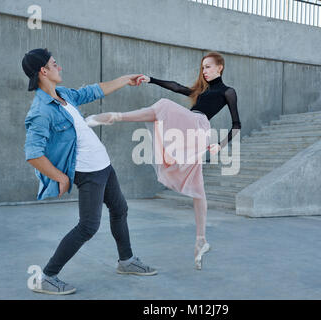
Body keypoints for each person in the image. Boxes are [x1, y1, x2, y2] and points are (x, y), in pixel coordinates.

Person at [85, 52, 241, 270]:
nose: (204, 71)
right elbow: (177, 87)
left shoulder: (228, 92)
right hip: (188, 129)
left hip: (198, 127)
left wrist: (220, 145)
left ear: (220, 67)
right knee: (198, 188)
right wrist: (150, 79)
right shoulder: (201, 90)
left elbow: (236, 125)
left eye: (208, 67)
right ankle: (201, 240)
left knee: (164, 107)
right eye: (202, 67)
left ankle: (115, 116)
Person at [22, 48, 157, 295]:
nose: (59, 67)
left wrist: (126, 79)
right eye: (55, 64)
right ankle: (47, 276)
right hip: (87, 172)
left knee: (120, 210)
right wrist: (60, 176)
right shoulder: (41, 110)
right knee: (88, 226)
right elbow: (32, 153)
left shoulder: (63, 95)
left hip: (103, 166)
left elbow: (94, 90)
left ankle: (126, 261)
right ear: (43, 71)